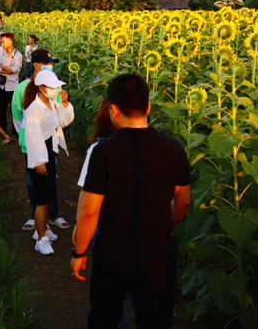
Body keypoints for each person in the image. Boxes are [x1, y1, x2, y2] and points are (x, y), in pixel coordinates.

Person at [71, 73, 190, 328]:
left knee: (106, 317)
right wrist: (166, 225)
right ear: (148, 107)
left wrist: (79, 251)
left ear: (113, 110)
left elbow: (89, 212)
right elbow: (183, 201)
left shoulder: (103, 153)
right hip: (157, 254)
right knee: (155, 320)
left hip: (114, 253)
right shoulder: (174, 150)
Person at [12, 49, 71, 233]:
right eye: (47, 62)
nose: (50, 65)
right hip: (32, 144)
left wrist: (66, 103)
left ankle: (52, 215)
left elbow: (59, 115)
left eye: (51, 62)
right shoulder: (22, 88)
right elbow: (17, 118)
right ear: (36, 65)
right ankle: (36, 218)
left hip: (51, 140)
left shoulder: (54, 87)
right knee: (34, 182)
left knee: (51, 179)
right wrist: (26, 138)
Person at [24, 70, 74, 255]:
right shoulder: (33, 109)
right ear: (41, 87)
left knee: (47, 195)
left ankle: (43, 229)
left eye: (56, 86)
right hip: (41, 157)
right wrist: (39, 162)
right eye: (52, 87)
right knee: (42, 200)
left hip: (49, 151)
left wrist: (66, 103)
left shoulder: (51, 103)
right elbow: (32, 136)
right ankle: (41, 238)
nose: (55, 89)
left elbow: (63, 120)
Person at [0, 31, 22, 137]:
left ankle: (15, 132)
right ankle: (3, 131)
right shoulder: (1, 53)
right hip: (2, 85)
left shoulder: (18, 55)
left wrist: (3, 67)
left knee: (13, 111)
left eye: (4, 42)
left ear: (10, 41)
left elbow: (14, 70)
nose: (2, 44)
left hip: (13, 86)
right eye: (1, 42)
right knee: (1, 109)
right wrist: (6, 69)